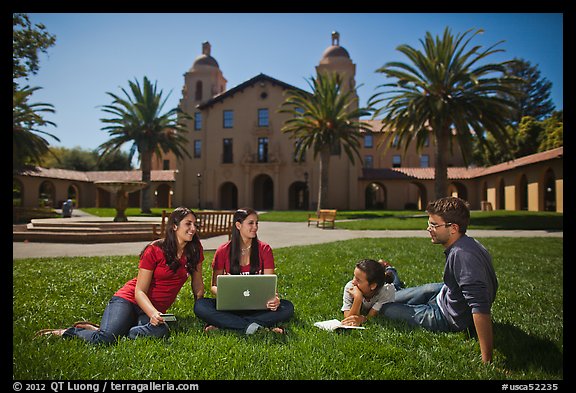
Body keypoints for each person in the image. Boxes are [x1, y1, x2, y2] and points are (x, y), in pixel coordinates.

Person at [35, 207, 205, 344]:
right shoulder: (154, 250)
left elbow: (197, 284)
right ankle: (69, 332)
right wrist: (153, 313)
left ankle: (112, 330)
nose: (193, 229)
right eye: (188, 224)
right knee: (105, 340)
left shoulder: (194, 250)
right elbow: (139, 291)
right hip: (129, 300)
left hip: (153, 309)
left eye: (195, 225)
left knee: (160, 330)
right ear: (174, 226)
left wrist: (201, 309)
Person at [379, 197, 498, 363]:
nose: (428, 229)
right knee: (389, 296)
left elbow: (480, 308)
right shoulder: (466, 243)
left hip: (447, 317)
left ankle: (389, 277)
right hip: (445, 293)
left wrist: (487, 361)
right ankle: (390, 273)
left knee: (383, 307)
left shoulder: (463, 255)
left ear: (453, 228)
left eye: (434, 225)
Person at [194, 208, 294, 335]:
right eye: (251, 223)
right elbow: (214, 286)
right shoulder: (223, 250)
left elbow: (270, 285)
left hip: (258, 307)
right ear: (238, 225)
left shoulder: (265, 249)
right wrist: (225, 294)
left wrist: (275, 299)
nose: (255, 227)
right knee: (200, 305)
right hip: (230, 307)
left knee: (287, 307)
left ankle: (228, 324)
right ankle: (257, 326)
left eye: (256, 223)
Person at [340, 259, 396, 327]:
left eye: (358, 280)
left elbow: (371, 316)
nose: (353, 282)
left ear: (373, 286)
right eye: (354, 276)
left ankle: (389, 268)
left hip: (393, 291)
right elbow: (348, 319)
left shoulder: (386, 291)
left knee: (396, 283)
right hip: (382, 285)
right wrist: (358, 298)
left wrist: (358, 299)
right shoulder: (351, 287)